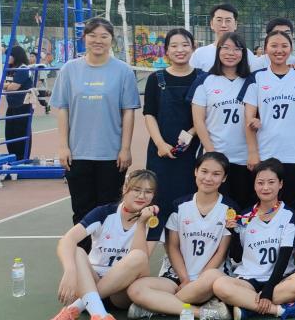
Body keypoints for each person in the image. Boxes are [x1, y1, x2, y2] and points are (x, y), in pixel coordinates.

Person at [41, 169, 159, 320]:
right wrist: (70, 271)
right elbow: (67, 240)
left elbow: (142, 260)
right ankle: (101, 316)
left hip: (121, 294)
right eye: (136, 189)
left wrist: (142, 223)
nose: (142, 196)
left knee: (137, 256)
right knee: (76, 251)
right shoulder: (104, 213)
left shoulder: (154, 220)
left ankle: (75, 308)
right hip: (90, 283)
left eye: (148, 192)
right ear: (125, 188)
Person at [54, 17, 140, 234]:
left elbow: (128, 111)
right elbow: (63, 109)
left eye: (104, 36)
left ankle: (106, 252)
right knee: (81, 210)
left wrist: (125, 148)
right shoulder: (69, 70)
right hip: (78, 153)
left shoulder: (123, 71)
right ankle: (83, 252)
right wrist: (63, 146)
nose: (98, 40)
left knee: (109, 209)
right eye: (92, 35)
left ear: (112, 40)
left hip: (111, 154)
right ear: (84, 38)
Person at [126, 153, 235, 320]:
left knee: (213, 277)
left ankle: (157, 306)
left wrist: (198, 281)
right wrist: (185, 279)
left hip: (208, 278)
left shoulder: (229, 209)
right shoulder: (179, 206)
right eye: (204, 171)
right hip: (177, 276)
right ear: (195, 172)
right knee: (135, 289)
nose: (208, 178)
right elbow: (172, 247)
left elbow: (221, 252)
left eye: (216, 174)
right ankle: (202, 311)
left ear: (224, 178)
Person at [211, 159, 295, 320]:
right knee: (220, 285)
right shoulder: (244, 217)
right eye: (260, 183)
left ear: (280, 184)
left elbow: (285, 256)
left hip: (280, 279)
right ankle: (278, 309)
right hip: (249, 280)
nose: (265, 187)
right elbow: (237, 257)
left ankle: (248, 307)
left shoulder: (289, 215)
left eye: (271, 182)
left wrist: (269, 290)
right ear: (254, 185)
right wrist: (233, 232)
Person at [242, 30, 295, 215]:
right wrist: (252, 153)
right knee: (263, 201)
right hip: (266, 151)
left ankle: (291, 235)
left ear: (291, 49)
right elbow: (248, 118)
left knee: (293, 203)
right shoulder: (256, 78)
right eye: (274, 45)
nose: (279, 50)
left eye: (284, 46)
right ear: (266, 49)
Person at [143, 28, 203, 223]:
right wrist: (160, 144)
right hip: (160, 153)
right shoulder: (155, 79)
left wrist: (191, 134)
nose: (180, 50)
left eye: (185, 45)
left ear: (193, 48)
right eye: (174, 46)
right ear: (166, 50)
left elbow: (207, 114)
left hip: (192, 151)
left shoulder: (203, 78)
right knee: (159, 201)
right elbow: (149, 114)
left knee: (189, 202)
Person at [191, 31, 253, 211]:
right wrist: (211, 152)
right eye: (225, 48)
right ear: (218, 51)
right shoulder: (205, 81)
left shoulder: (251, 81)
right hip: (216, 155)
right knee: (215, 208)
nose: (231, 53)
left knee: (242, 208)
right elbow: (198, 120)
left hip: (244, 158)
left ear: (243, 53)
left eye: (236, 49)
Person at [190, 3, 265, 72]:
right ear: (212, 24)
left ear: (235, 24)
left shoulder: (246, 53)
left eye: (228, 20)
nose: (223, 25)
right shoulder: (199, 54)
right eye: (219, 20)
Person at [1, 45, 33, 159]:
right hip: (12, 106)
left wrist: (6, 86)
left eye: (10, 55)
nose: (7, 58)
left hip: (22, 106)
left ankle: (22, 157)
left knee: (21, 132)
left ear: (16, 56)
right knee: (9, 133)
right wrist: (7, 86)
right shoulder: (9, 69)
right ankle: (13, 156)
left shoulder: (23, 69)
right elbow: (1, 84)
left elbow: (14, 87)